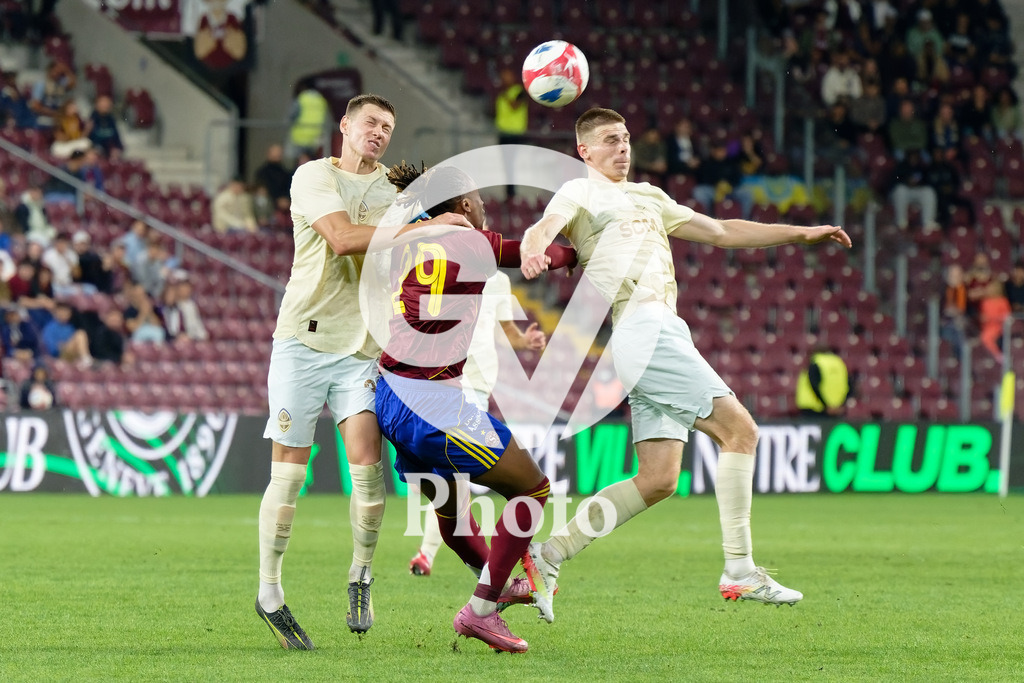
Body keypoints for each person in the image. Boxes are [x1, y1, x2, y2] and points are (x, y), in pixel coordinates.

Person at [517, 107, 852, 619]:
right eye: (610, 140)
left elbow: (720, 231)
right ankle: (739, 571)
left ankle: (550, 553)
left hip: (657, 331)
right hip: (642, 327)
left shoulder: (649, 197)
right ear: (584, 151)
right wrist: (532, 249)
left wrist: (801, 233)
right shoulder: (579, 192)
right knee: (740, 432)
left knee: (658, 480)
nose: (623, 147)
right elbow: (545, 226)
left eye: (626, 137)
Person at [254, 93, 475, 650]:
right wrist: (425, 228)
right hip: (302, 342)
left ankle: (360, 575)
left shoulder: (396, 195)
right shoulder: (312, 177)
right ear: (345, 126)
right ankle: (270, 591)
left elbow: (451, 235)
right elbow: (342, 239)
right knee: (288, 476)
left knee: (368, 472)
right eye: (371, 123)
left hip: (361, 350)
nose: (379, 133)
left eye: (388, 128)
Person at [373, 163, 575, 652]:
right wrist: (584, 248)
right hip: (432, 404)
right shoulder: (469, 240)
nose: (484, 206)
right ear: (464, 205)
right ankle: (481, 611)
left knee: (453, 511)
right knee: (532, 488)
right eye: (479, 199)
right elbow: (539, 253)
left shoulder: (412, 242)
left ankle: (496, 586)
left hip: (390, 393)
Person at [494, 68, 528, 199]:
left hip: (514, 134)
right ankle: (509, 193)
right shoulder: (502, 93)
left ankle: (512, 194)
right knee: (506, 164)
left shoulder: (518, 92)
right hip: (503, 133)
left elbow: (515, 106)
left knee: (511, 164)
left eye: (506, 76)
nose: (504, 79)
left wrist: (505, 95)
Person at [795, 348, 849, 417]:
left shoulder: (814, 363)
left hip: (812, 408)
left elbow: (814, 385)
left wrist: (825, 405)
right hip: (837, 408)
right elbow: (849, 385)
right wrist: (841, 405)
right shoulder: (840, 363)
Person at [286, 79, 330, 163]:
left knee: (299, 164)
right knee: (312, 163)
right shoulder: (321, 100)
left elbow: (291, 116)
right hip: (315, 137)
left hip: (300, 136)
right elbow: (326, 118)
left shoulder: (301, 98)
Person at [40, 301, 92, 366]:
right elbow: (52, 348)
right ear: (56, 312)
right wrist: (62, 346)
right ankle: (86, 359)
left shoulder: (70, 327)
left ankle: (84, 360)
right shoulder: (49, 328)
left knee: (81, 334)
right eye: (62, 311)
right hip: (59, 356)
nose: (65, 313)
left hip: (72, 354)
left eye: (67, 311)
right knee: (80, 334)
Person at [978, 280, 1011, 363]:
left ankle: (998, 355)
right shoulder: (985, 301)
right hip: (986, 325)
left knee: (985, 337)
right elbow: (983, 315)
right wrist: (983, 318)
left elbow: (1006, 316)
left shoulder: (1002, 301)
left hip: (998, 326)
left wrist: (993, 318)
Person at [86, 94, 124, 159]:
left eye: (107, 104)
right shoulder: (92, 119)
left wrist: (117, 148)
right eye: (103, 103)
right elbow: (89, 138)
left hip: (109, 150)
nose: (105, 106)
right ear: (97, 105)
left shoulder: (111, 119)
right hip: (95, 150)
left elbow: (116, 137)